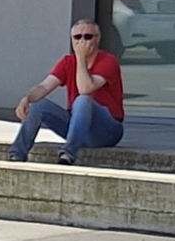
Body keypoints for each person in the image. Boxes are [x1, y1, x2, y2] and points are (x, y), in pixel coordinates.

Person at [8, 19, 125, 166]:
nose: (82, 41)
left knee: (83, 100)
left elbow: (85, 88)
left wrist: (81, 58)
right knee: (39, 105)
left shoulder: (108, 61)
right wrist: (27, 98)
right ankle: (17, 154)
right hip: (77, 126)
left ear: (98, 39)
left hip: (107, 130)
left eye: (88, 37)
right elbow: (45, 86)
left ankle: (68, 155)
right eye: (78, 37)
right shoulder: (67, 62)